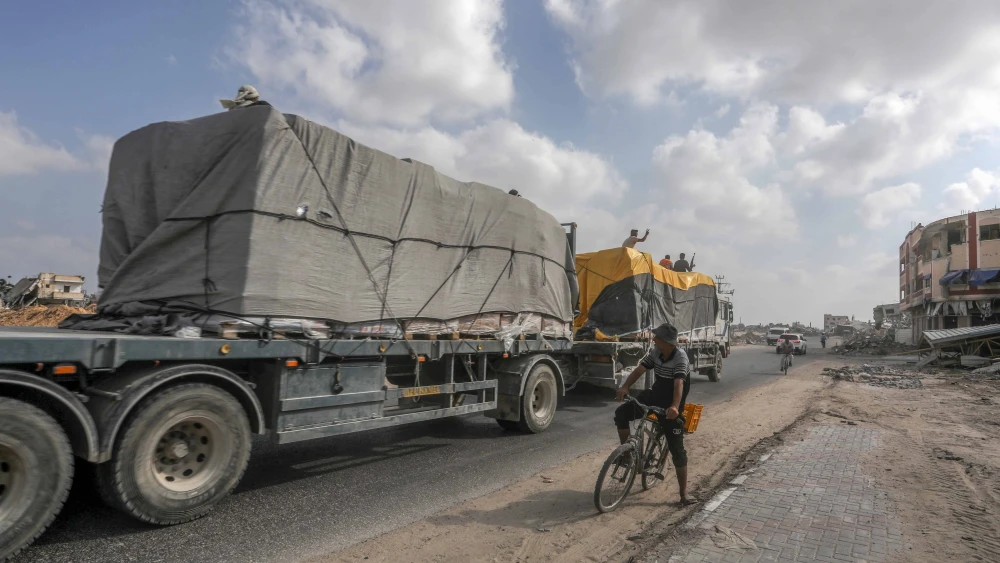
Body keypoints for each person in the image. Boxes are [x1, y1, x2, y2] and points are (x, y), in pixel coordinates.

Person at [614, 322, 693, 505]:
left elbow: (678, 383)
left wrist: (674, 407)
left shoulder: (680, 358)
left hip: (671, 406)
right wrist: (626, 386)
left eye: (657, 337)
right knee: (621, 414)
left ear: (666, 341)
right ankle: (627, 455)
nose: (654, 339)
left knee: (678, 450)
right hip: (654, 396)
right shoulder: (656, 352)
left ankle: (683, 495)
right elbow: (640, 369)